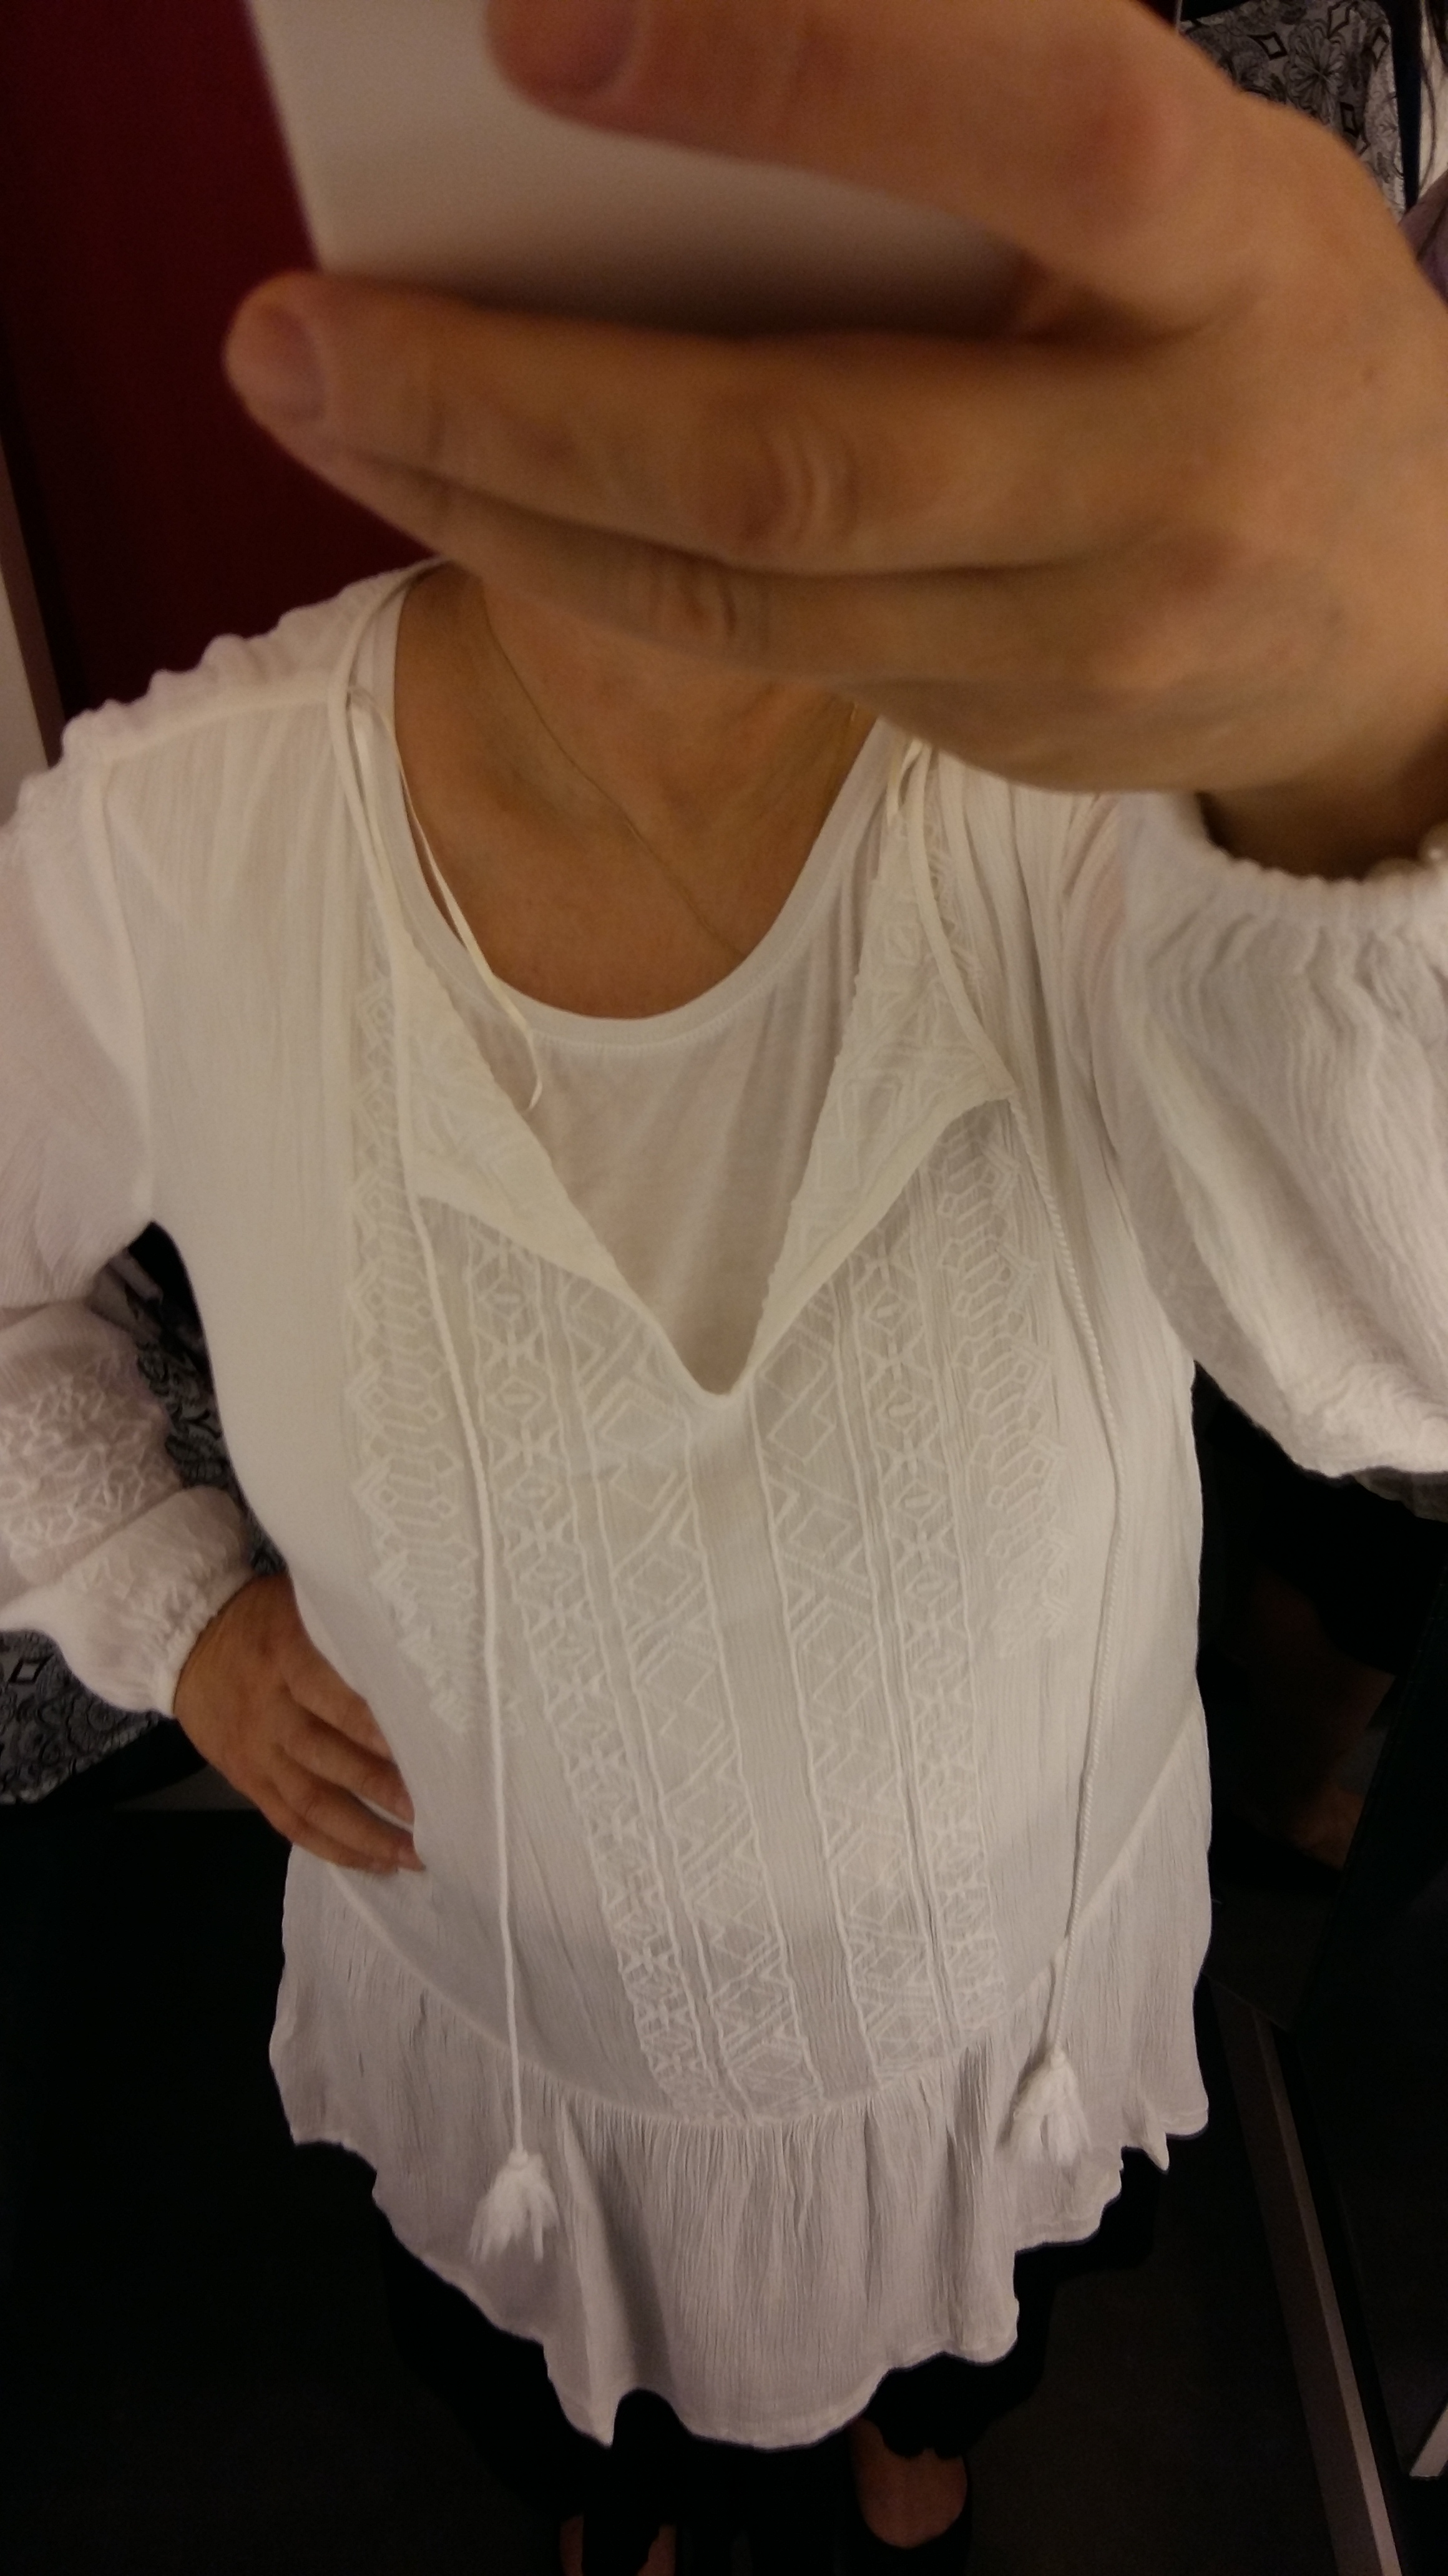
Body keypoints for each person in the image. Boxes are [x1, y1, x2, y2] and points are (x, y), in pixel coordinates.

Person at [7, 2, 1448, 2570]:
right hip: (518, 2037)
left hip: (1009, 1989)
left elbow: (1403, 1356)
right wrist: (160, 1599)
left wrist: (1368, 772)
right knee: (556, 2412)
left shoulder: (1109, 808)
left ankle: (908, 2457)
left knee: (978, 2340)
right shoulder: (169, 845)